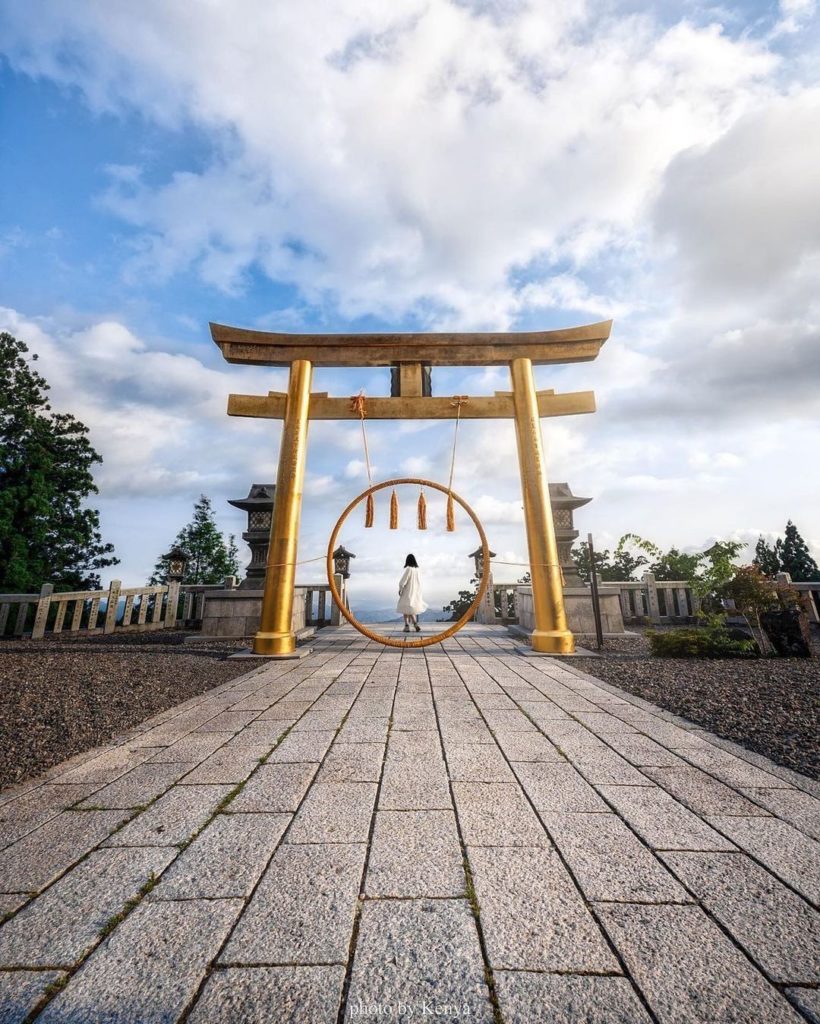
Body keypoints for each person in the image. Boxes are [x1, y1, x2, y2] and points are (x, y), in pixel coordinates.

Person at [397, 553, 427, 633]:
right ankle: (415, 624)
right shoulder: (417, 570)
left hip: (408, 591)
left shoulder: (409, 569)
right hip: (415, 592)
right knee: (411, 609)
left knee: (405, 608)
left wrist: (400, 588)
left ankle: (407, 626)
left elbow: (404, 580)